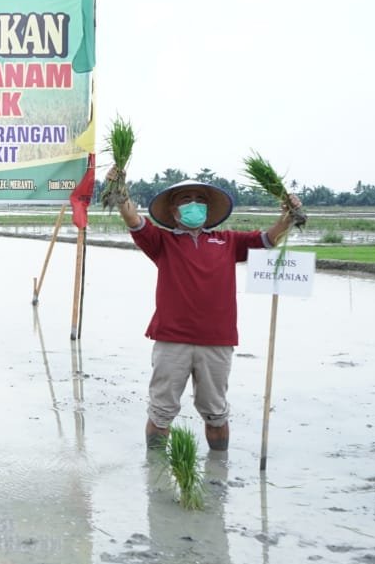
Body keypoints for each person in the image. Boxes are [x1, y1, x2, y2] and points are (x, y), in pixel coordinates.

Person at [112, 173, 299, 451]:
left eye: (200, 200)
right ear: (174, 212)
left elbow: (268, 240)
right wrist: (118, 190)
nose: (194, 204)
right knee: (161, 412)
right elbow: (134, 221)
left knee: (216, 412)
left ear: (209, 210)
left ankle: (218, 471)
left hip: (217, 341)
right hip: (172, 340)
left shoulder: (228, 241)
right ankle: (156, 471)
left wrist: (289, 215)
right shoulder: (162, 242)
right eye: (186, 200)